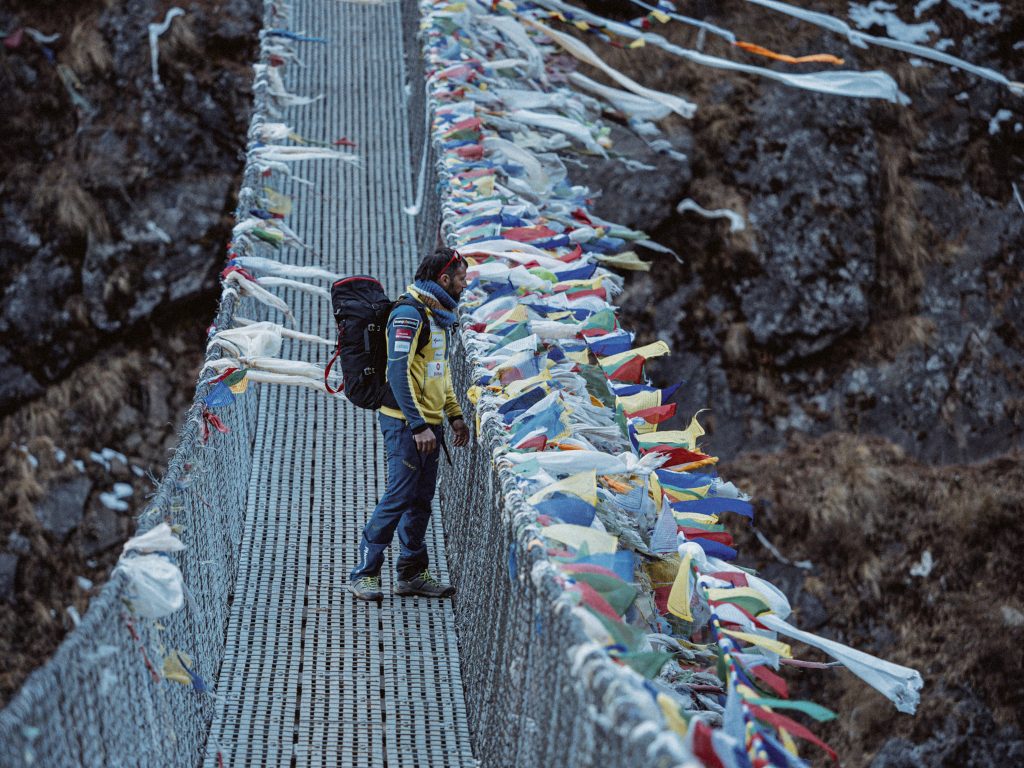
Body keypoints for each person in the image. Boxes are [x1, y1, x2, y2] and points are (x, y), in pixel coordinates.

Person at [348, 247, 470, 601]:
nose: (465, 284)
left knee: (420, 499)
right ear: (443, 279)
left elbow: (440, 370)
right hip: (405, 423)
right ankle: (364, 573)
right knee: (399, 495)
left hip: (429, 422)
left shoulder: (440, 316)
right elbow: (397, 373)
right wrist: (418, 426)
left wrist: (455, 413)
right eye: (461, 278)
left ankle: (412, 573)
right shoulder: (408, 314)